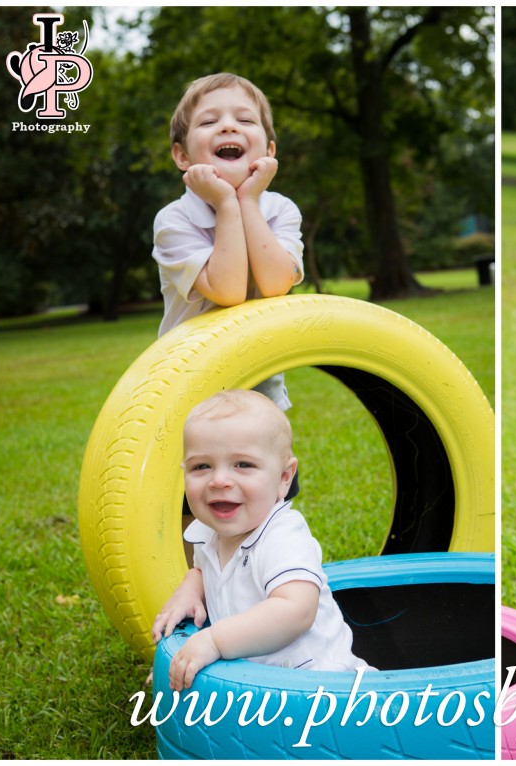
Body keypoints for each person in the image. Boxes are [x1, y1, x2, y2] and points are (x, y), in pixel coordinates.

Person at [152, 73, 305, 547]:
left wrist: (249, 202)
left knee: (263, 507)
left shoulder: (280, 210)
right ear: (182, 155)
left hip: (260, 396)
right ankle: (194, 600)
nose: (228, 128)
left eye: (244, 120)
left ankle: (262, 592)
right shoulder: (174, 219)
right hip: (188, 395)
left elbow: (278, 282)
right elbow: (229, 289)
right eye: (210, 121)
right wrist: (225, 202)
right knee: (193, 512)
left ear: (268, 150)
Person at [151, 390, 370, 692]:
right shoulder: (208, 532)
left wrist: (214, 640)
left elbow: (295, 610)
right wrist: (190, 590)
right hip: (260, 683)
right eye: (202, 466)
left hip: (325, 687)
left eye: (243, 464)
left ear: (284, 478)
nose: (219, 481)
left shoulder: (281, 535)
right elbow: (205, 572)